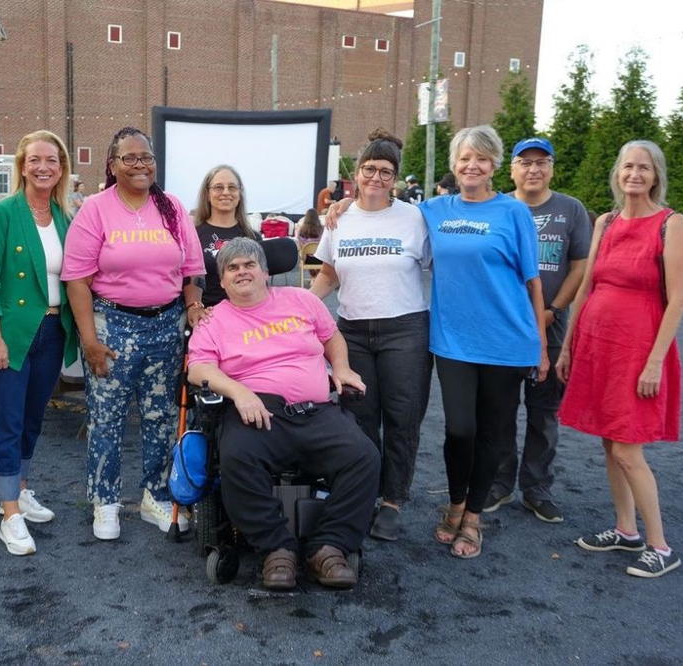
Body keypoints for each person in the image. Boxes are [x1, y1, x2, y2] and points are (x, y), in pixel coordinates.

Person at [188, 237, 380, 590]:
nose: (242, 272)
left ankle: (330, 547)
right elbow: (198, 369)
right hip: (258, 411)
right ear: (223, 280)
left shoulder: (302, 300)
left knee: (363, 456)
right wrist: (239, 391)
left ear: (265, 272)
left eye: (249, 264)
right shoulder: (214, 320)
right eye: (232, 268)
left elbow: (332, 337)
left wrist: (341, 368)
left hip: (317, 411)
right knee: (237, 458)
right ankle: (277, 549)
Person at [62, 126, 206, 540]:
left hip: (166, 324)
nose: (140, 164)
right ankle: (104, 502)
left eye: (147, 157)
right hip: (113, 325)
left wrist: (193, 305)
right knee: (106, 419)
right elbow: (77, 281)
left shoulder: (173, 209)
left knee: (161, 418)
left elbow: (191, 272)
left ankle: (155, 497)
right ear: (112, 165)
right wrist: (89, 341)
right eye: (130, 158)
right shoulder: (95, 210)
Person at [557, 140, 683, 578]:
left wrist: (654, 362)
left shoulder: (671, 224)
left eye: (644, 168)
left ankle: (660, 545)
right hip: (598, 343)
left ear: (656, 176)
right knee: (609, 441)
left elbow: (677, 299)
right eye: (628, 166)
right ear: (618, 173)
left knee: (629, 447)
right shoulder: (607, 222)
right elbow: (587, 287)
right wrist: (568, 346)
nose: (634, 174)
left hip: (637, 348)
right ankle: (626, 529)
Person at [420, 125, 548, 558]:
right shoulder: (433, 210)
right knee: (459, 429)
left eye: (482, 158)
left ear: (494, 166)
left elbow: (533, 283)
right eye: (464, 158)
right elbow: (380, 211)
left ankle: (473, 517)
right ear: (454, 165)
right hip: (453, 340)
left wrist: (542, 346)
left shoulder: (514, 214)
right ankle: (455, 502)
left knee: (493, 431)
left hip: (507, 340)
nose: (472, 166)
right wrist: (343, 204)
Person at [310, 131, 432, 542]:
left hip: (405, 330)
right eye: (369, 169)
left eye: (385, 171)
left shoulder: (415, 217)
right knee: (359, 417)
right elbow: (328, 274)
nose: (377, 177)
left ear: (395, 177)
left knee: (402, 417)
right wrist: (301, 310)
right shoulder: (340, 218)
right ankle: (363, 492)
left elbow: (439, 265)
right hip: (353, 332)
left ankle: (393, 501)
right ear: (356, 173)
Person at [0, 130, 79, 556]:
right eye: (34, 159)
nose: (43, 167)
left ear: (62, 168)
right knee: (9, 421)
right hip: (10, 333)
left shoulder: (65, 218)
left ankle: (22, 488)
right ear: (22, 165)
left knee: (33, 419)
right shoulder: (4, 213)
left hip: (52, 331)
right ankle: (9, 512)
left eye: (51, 160)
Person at [481, 138, 590, 523]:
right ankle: (499, 482)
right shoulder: (498, 208)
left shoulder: (570, 210)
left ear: (552, 168)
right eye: (524, 162)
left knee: (544, 411)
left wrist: (553, 309)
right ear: (511, 169)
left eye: (541, 162)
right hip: (504, 325)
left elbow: (580, 266)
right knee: (501, 409)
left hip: (553, 323)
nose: (533, 169)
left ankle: (537, 487)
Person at [193, 164, 260, 307]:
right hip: (207, 317)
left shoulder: (253, 238)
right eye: (218, 187)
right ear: (208, 194)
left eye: (232, 187)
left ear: (240, 193)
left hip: (246, 316)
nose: (225, 192)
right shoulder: (192, 235)